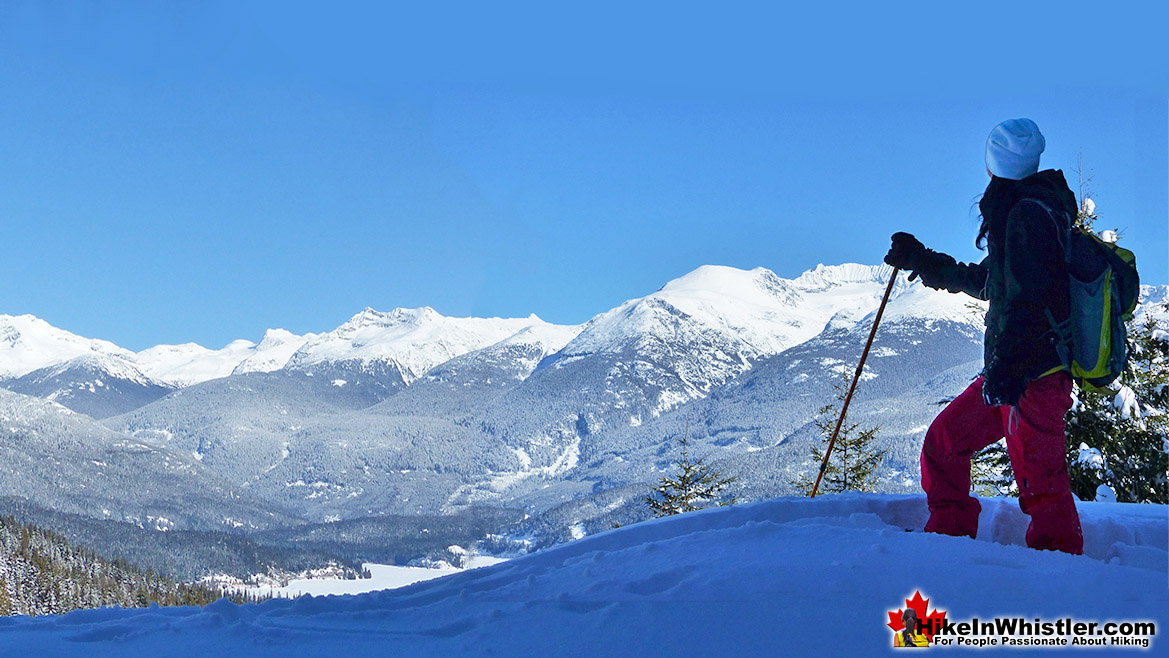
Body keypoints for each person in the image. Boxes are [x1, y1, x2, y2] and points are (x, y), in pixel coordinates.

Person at [883, 118, 1083, 555]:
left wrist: (1010, 370)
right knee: (945, 442)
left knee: (1040, 484)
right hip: (1012, 373)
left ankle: (1063, 573)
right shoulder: (1025, 209)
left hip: (1032, 376)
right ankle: (949, 544)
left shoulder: (1028, 215)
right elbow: (993, 283)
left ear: (994, 164)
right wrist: (925, 261)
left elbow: (1030, 300)